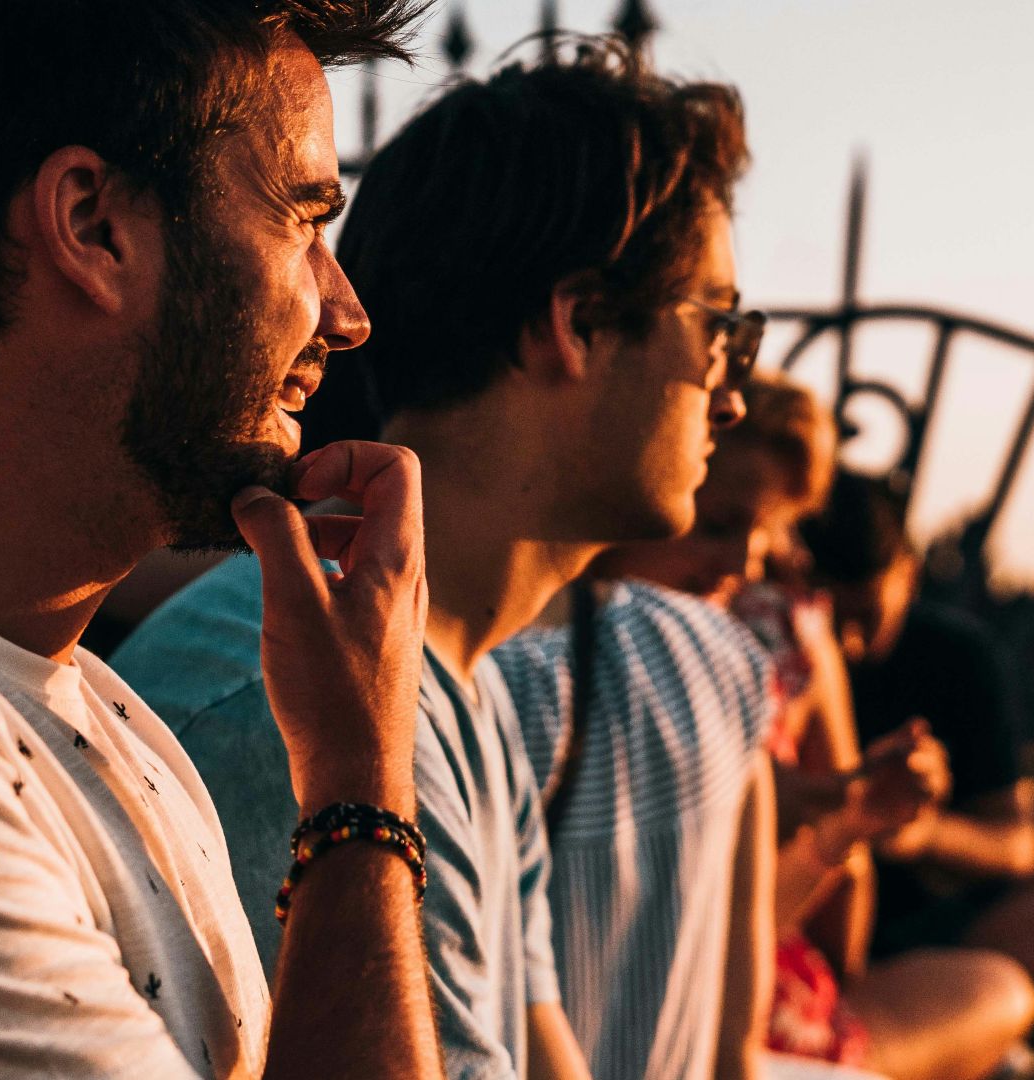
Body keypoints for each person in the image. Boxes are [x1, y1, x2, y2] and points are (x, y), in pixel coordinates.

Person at [111, 39, 759, 1080]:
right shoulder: (282, 698)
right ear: (580, 323)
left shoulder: (466, 691)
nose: (734, 392)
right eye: (720, 325)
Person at [0, 4, 444, 1078]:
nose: (346, 310)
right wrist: (362, 786)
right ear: (95, 226)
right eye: (302, 221)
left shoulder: (113, 724)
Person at [599, 376, 1034, 1080]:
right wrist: (843, 829)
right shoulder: (777, 646)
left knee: (1008, 978)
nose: (742, 565)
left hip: (723, 1000)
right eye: (713, 524)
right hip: (690, 1018)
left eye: (764, 540)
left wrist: (854, 824)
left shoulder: (771, 643)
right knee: (999, 995)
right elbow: (828, 945)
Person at [802, 472, 1034, 1002]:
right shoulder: (781, 650)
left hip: (923, 937)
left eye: (865, 616)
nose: (848, 644)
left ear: (910, 574)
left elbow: (1018, 843)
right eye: (829, 617)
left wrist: (919, 832)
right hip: (793, 922)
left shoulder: (955, 656)